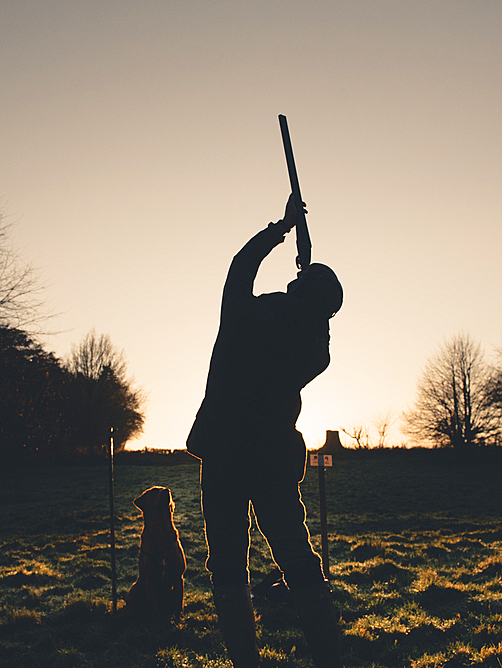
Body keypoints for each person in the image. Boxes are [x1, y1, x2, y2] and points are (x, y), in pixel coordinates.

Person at [186, 195, 344, 668]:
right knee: (299, 562)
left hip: (224, 458)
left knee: (229, 569)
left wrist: (281, 228)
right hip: (273, 463)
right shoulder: (315, 353)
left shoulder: (243, 317)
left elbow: (241, 266)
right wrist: (313, 288)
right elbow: (319, 328)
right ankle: (330, 658)